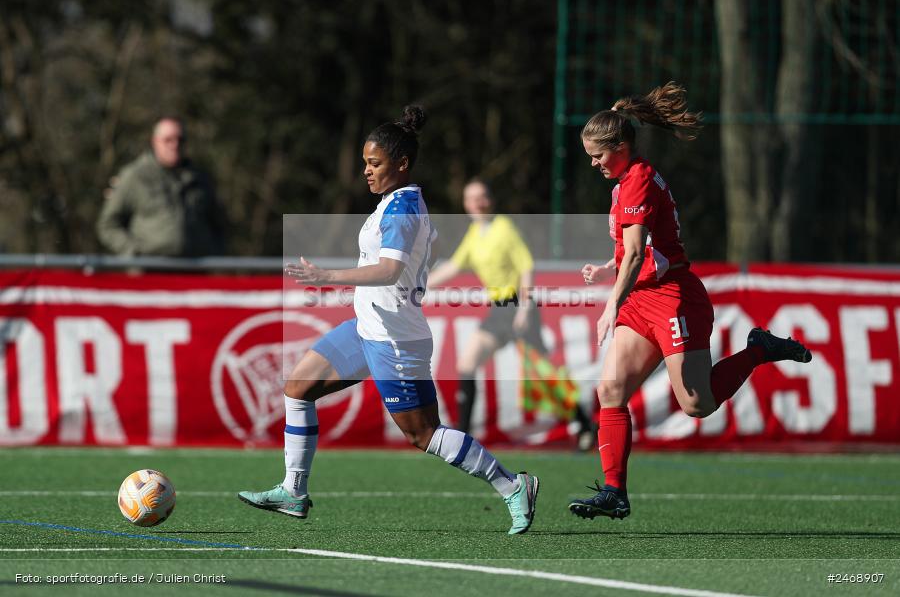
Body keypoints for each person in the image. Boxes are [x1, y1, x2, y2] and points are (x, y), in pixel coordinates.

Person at [238, 105, 539, 535]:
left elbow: (389, 269)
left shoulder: (402, 207)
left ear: (401, 164)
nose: (366, 170)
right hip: (367, 327)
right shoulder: (392, 203)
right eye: (364, 162)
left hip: (395, 338)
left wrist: (327, 277)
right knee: (297, 388)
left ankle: (513, 485)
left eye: (374, 163)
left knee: (424, 435)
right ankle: (293, 490)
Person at [568, 82, 812, 521]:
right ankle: (614, 491)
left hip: (673, 301)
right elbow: (636, 247)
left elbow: (641, 252)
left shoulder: (638, 179)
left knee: (696, 404)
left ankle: (760, 348)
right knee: (610, 390)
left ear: (621, 147)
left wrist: (609, 305)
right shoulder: (624, 180)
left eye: (598, 155)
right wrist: (609, 268)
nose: (593, 163)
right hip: (642, 299)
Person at [428, 179, 597, 448]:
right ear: (465, 204)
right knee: (467, 364)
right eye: (471, 198)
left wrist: (525, 308)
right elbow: (453, 267)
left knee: (544, 373)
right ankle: (464, 438)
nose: (477, 203)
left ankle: (586, 424)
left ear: (490, 200)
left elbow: (526, 267)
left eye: (482, 197)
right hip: (499, 309)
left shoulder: (503, 228)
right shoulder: (475, 232)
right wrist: (419, 286)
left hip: (517, 304)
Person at [96, 117, 225, 257]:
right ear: (155, 142)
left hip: (193, 272)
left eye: (180, 140)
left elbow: (219, 224)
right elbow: (108, 225)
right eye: (168, 140)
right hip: (150, 272)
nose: (174, 145)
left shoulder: (200, 179)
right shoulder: (134, 177)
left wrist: (212, 251)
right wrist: (133, 251)